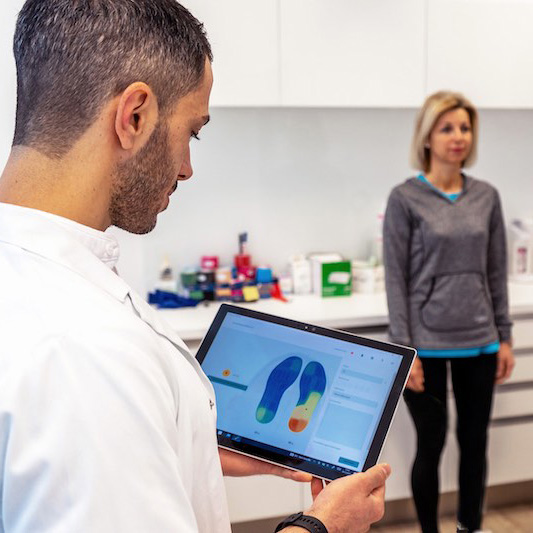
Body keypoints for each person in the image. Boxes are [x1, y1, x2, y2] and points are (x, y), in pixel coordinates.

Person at [0, 1, 390, 532]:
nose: (187, 168)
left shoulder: (36, 278)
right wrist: (321, 525)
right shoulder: (82, 351)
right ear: (134, 115)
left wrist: (186, 443)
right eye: (193, 132)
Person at [383, 91, 515, 533]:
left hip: (480, 340)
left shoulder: (486, 197)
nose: (458, 136)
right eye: (447, 128)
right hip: (427, 347)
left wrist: (506, 337)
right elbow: (396, 281)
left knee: (475, 444)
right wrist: (407, 352)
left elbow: (496, 272)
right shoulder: (406, 199)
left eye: (464, 127)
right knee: (431, 444)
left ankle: (469, 527)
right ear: (427, 137)